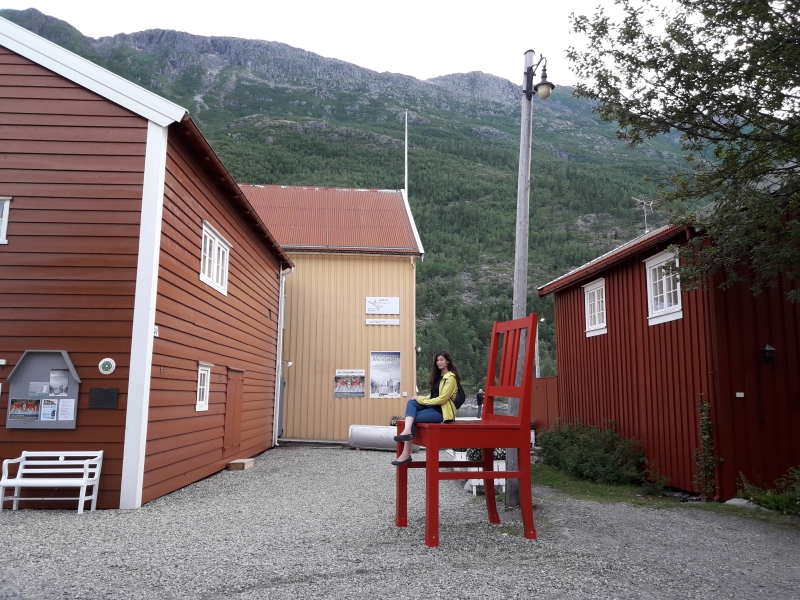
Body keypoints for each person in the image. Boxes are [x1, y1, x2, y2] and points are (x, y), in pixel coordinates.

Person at [391, 351, 462, 465]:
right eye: (437, 360)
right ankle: (407, 431)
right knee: (412, 401)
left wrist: (422, 400)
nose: (439, 362)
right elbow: (433, 395)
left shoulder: (450, 378)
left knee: (413, 418)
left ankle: (406, 453)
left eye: (442, 360)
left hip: (442, 412)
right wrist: (419, 398)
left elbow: (442, 399)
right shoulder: (438, 377)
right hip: (434, 407)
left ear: (448, 361)